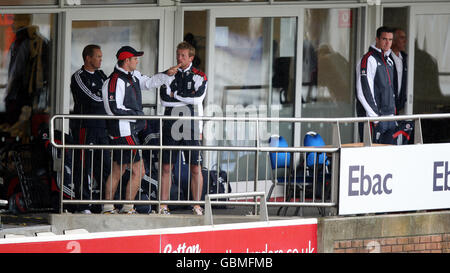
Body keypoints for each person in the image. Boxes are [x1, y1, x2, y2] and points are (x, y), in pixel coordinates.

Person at [101, 45, 178, 214]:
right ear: (126, 60)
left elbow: (149, 83)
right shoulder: (113, 80)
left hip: (129, 130)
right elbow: (113, 109)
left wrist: (166, 74)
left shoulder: (133, 75)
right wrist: (137, 115)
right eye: (135, 58)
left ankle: (108, 206)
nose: (137, 61)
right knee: (139, 170)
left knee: (118, 169)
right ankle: (127, 207)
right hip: (123, 131)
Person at [159, 41, 207, 216]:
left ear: (191, 57)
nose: (179, 58)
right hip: (170, 123)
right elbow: (164, 99)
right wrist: (185, 97)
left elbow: (197, 99)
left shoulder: (200, 76)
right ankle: (163, 205)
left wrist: (176, 94)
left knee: (195, 167)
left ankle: (196, 206)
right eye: (178, 54)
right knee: (166, 166)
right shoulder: (169, 74)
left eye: (183, 55)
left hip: (192, 125)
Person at [70, 44, 110, 213]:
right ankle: (83, 204)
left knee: (105, 166)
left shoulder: (101, 75)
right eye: (98, 56)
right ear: (88, 58)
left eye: (101, 56)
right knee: (84, 165)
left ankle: (103, 203)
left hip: (103, 128)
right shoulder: (78, 76)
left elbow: (110, 93)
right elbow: (92, 98)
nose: (101, 59)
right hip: (86, 127)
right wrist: (106, 98)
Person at [356, 26, 397, 144]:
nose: (387, 43)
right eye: (384, 39)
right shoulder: (368, 59)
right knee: (372, 158)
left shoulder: (389, 61)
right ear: (377, 39)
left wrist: (393, 114)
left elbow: (390, 90)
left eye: (390, 39)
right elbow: (363, 91)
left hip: (390, 117)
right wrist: (375, 118)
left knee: (389, 157)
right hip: (374, 118)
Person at [390, 28, 408, 114]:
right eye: (401, 38)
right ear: (393, 41)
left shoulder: (403, 58)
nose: (405, 41)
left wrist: (403, 100)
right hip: (387, 106)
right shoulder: (386, 58)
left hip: (399, 106)